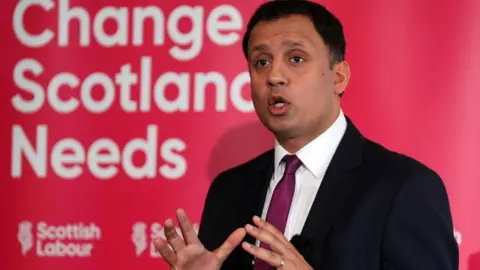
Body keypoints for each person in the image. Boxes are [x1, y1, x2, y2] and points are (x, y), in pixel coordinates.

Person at [153, 0, 459, 269]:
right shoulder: (228, 191)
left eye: (296, 58)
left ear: (338, 77)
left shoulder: (404, 188)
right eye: (261, 62)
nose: (274, 76)